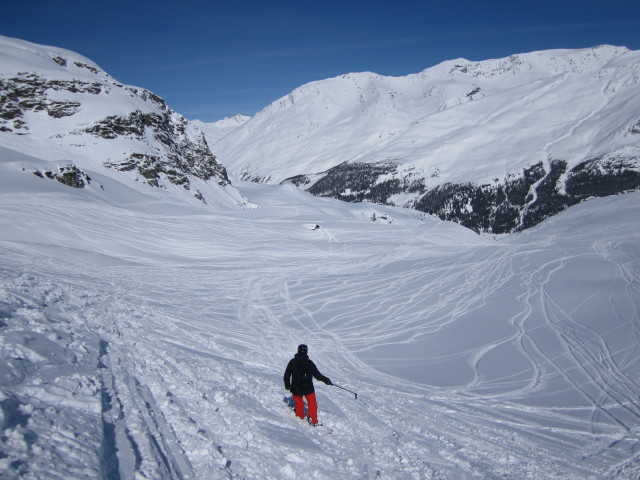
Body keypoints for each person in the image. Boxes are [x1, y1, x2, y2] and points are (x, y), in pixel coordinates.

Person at [283, 344, 332, 425]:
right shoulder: (309, 362)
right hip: (309, 388)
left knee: (299, 403)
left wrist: (287, 385)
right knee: (312, 403)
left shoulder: (293, 362)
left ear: (298, 350)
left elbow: (287, 375)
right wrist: (326, 380)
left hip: (296, 388)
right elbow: (317, 375)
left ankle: (300, 416)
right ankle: (313, 421)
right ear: (306, 351)